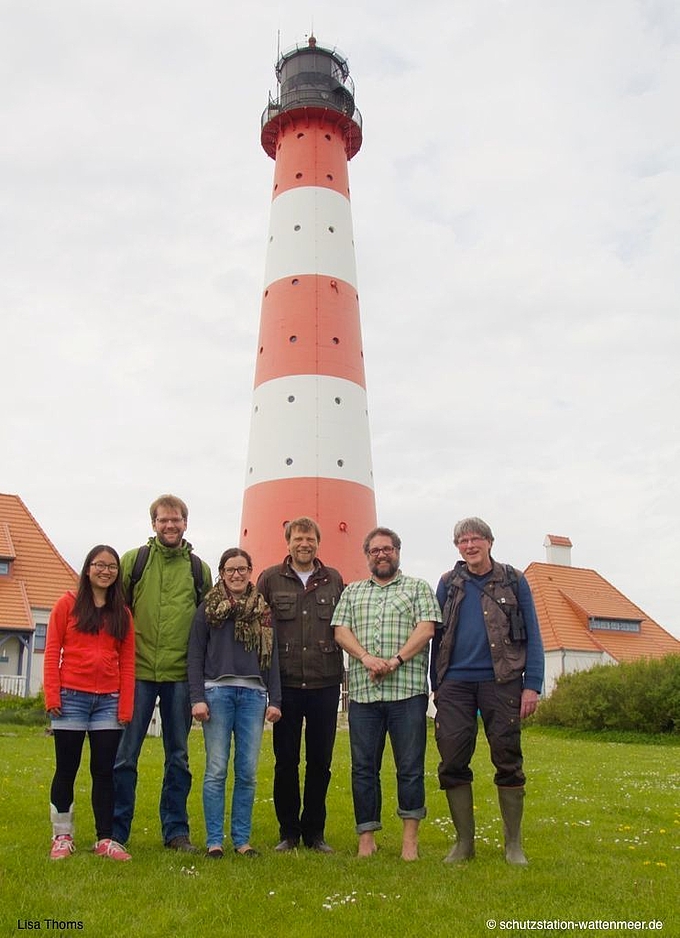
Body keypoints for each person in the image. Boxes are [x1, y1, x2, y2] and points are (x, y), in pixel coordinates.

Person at [431, 517, 544, 866]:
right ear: (457, 547)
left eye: (475, 538)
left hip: (503, 681)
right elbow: (435, 635)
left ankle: (513, 846)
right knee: (451, 760)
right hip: (454, 684)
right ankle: (464, 843)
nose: (469, 545)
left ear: (490, 542)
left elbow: (535, 636)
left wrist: (532, 686)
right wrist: (437, 685)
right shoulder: (448, 583)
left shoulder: (513, 579)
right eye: (462, 541)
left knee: (508, 759)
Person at [331, 526, 440, 860]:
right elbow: (340, 630)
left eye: (388, 549)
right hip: (364, 694)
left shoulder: (418, 588)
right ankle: (367, 837)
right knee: (363, 768)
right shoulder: (352, 592)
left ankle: (410, 840)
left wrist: (395, 660)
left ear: (398, 551)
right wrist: (365, 658)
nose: (382, 554)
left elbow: (427, 628)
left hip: (407, 693)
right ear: (367, 555)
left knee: (410, 767)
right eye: (375, 550)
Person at [112, 494, 211, 852]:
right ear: (153, 524)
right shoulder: (133, 562)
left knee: (179, 756)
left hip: (180, 675)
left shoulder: (200, 570)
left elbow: (205, 627)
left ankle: (176, 831)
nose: (170, 525)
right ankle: (116, 830)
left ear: (186, 523)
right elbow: (115, 613)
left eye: (176, 520)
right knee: (125, 755)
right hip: (136, 672)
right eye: (163, 520)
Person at [256, 517, 344, 853]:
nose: (303, 544)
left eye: (309, 539)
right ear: (288, 542)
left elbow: (344, 623)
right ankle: (288, 832)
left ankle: (315, 833)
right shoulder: (270, 579)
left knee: (321, 762)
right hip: (286, 684)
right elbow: (260, 626)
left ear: (318, 543)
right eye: (297, 538)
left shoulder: (333, 579)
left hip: (325, 682)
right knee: (286, 761)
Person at [188, 548, 282, 858]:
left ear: (251, 571)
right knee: (216, 770)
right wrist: (197, 698)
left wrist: (275, 699)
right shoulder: (207, 609)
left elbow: (273, 659)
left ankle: (242, 840)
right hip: (217, 693)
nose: (237, 574)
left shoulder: (263, 611)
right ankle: (215, 840)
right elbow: (195, 655)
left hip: (253, 695)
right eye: (230, 569)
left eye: (242, 568)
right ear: (222, 572)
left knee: (248, 772)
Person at [44, 545, 135, 862]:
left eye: (112, 567)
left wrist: (125, 706)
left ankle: (105, 839)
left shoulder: (122, 613)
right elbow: (52, 650)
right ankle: (62, 836)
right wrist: (52, 694)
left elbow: (127, 661)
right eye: (100, 565)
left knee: (103, 772)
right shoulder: (67, 605)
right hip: (71, 697)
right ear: (88, 569)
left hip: (108, 702)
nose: (106, 571)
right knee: (67, 769)